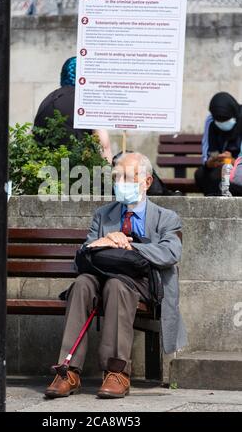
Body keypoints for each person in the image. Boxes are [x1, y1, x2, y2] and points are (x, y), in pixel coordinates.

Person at [45, 152, 187, 399]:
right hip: (100, 276)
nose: (120, 183)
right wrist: (102, 240)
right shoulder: (103, 214)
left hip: (141, 283)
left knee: (117, 286)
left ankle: (117, 371)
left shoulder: (166, 217)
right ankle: (68, 370)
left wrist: (129, 245)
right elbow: (84, 256)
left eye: (128, 177)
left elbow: (171, 252)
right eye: (116, 177)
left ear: (147, 182)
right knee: (81, 284)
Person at [33, 57, 113, 163]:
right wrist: (107, 175)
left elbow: (34, 139)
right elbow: (103, 145)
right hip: (81, 172)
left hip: (46, 170)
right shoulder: (88, 98)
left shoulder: (48, 99)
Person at [195, 92, 242, 195]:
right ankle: (214, 203)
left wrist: (233, 161)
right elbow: (208, 152)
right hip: (220, 166)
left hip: (238, 167)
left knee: (228, 178)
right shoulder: (211, 120)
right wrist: (211, 161)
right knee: (201, 174)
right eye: (218, 120)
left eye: (225, 119)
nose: (221, 122)